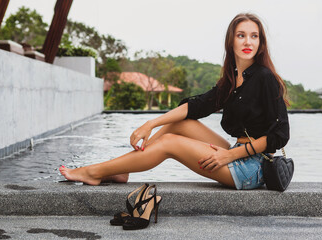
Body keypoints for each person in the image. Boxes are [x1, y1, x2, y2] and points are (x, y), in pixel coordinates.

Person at [60, 13, 289, 190]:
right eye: (241, 35)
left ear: (261, 43)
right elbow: (196, 106)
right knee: (179, 124)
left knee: (169, 142)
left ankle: (93, 172)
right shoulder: (231, 80)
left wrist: (229, 155)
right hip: (237, 152)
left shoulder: (265, 78)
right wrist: (150, 124)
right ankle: (120, 169)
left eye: (254, 36)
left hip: (252, 167)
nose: (248, 41)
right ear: (231, 41)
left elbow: (279, 135)